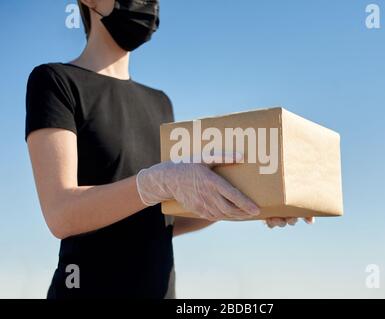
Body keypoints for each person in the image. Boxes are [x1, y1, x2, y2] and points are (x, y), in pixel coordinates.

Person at [25, 0, 314, 299]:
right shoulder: (55, 82)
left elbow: (160, 223)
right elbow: (61, 214)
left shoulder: (160, 102)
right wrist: (157, 181)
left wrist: (252, 201)